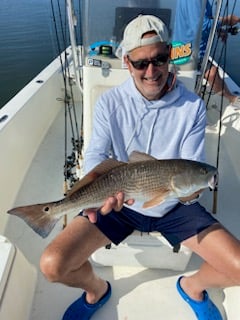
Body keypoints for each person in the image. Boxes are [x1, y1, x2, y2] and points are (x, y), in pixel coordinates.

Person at [40, 15, 240, 320]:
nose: (151, 70)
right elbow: (95, 155)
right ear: (126, 61)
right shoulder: (110, 102)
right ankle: (96, 290)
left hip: (173, 205)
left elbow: (190, 167)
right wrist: (100, 195)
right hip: (121, 200)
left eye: (160, 58)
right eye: (140, 63)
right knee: (52, 265)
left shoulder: (192, 107)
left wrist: (191, 193)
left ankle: (193, 286)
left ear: (169, 55)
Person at [173, 0, 240, 108]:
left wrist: (218, 30)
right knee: (212, 73)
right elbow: (200, 26)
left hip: (179, 48)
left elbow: (199, 20)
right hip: (190, 51)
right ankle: (232, 98)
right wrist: (226, 20)